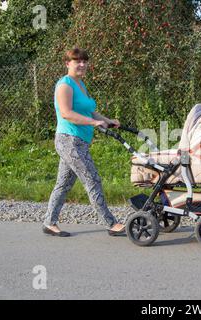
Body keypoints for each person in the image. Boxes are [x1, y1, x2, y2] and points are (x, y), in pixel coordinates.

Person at [42, 48, 125, 237]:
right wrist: (94, 123)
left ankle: (49, 222)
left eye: (84, 61)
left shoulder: (80, 84)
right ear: (67, 63)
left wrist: (107, 119)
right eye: (77, 61)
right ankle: (110, 223)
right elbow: (66, 113)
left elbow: (89, 111)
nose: (82, 64)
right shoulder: (65, 85)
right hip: (69, 141)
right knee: (92, 179)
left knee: (63, 184)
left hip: (79, 141)